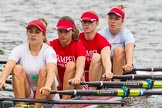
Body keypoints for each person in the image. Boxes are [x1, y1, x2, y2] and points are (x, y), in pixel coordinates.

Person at [0, 18, 58, 108]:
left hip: (47, 93)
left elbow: (51, 71)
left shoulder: (49, 50)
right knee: (17, 68)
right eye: (30, 32)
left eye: (37, 32)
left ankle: (37, 106)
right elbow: (8, 66)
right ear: (27, 34)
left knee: (44, 70)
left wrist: (47, 86)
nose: (33, 35)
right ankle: (21, 105)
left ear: (43, 36)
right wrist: (2, 80)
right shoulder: (19, 49)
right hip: (28, 92)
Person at [49, 16, 86, 99]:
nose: (62, 35)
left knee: (71, 65)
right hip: (59, 84)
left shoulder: (78, 46)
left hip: (77, 85)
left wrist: (77, 77)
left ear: (72, 31)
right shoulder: (52, 45)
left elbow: (80, 66)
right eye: (60, 31)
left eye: (66, 31)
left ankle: (64, 101)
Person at [79, 11, 113, 90]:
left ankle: (91, 91)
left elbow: (106, 59)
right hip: (81, 78)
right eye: (84, 21)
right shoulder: (77, 39)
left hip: (99, 78)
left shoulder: (102, 41)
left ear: (97, 23)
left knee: (96, 56)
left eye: (90, 22)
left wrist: (108, 71)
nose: (87, 24)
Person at [99, 5, 135, 76]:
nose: (112, 21)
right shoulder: (101, 33)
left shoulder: (126, 34)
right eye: (110, 18)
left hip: (124, 68)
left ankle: (116, 83)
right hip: (108, 67)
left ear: (122, 21)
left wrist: (129, 64)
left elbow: (129, 49)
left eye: (116, 19)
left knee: (118, 50)